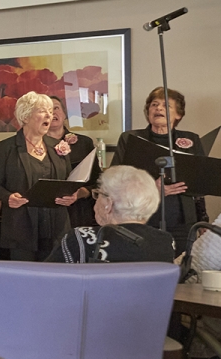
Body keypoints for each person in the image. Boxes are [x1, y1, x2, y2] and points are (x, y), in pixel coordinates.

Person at [0, 92, 84, 261]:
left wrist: (72, 195)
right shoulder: (6, 148)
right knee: (25, 276)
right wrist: (8, 197)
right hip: (21, 226)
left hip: (56, 225)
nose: (49, 115)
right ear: (25, 117)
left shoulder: (58, 146)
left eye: (50, 111)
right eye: (42, 111)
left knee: (55, 275)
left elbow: (68, 182)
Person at [114, 87, 206, 256]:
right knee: (145, 264)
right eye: (154, 104)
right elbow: (115, 180)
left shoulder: (191, 140)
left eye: (166, 105)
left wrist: (202, 220)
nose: (159, 108)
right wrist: (152, 189)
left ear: (178, 114)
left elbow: (199, 183)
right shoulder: (130, 139)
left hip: (182, 222)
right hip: (141, 219)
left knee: (180, 267)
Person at [48, 165, 174, 263]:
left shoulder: (80, 238)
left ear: (108, 204)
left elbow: (46, 279)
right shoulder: (165, 241)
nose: (96, 200)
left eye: (98, 194)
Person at [47, 95, 97, 228]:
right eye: (46, 109)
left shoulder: (84, 143)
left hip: (77, 212)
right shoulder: (33, 146)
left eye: (56, 108)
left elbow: (97, 182)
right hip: (45, 213)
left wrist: (79, 194)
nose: (52, 112)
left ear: (65, 114)